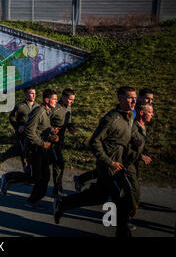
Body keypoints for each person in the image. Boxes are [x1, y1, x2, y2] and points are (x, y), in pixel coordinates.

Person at [54, 86, 137, 238]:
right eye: (129, 97)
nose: (133, 100)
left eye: (134, 97)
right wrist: (109, 162)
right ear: (120, 98)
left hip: (120, 165)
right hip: (109, 167)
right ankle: (123, 232)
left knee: (98, 197)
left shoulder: (130, 116)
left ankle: (63, 203)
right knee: (123, 198)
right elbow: (94, 141)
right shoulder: (111, 119)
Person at [74, 88, 155, 192]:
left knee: (112, 175)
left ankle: (91, 186)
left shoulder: (140, 109)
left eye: (151, 100)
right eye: (147, 99)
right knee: (111, 172)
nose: (150, 101)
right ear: (141, 97)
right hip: (118, 147)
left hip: (127, 147)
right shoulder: (131, 111)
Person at [0, 89, 59, 209]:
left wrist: (51, 132)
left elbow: (40, 128)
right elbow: (29, 132)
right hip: (34, 150)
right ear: (47, 100)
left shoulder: (47, 111)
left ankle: (33, 200)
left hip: (41, 150)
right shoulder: (39, 111)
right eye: (54, 99)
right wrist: (42, 143)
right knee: (34, 177)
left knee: (44, 177)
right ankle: (8, 177)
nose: (56, 101)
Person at [126, 101, 154, 229]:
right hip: (127, 164)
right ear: (142, 113)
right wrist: (140, 156)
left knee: (132, 193)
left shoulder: (143, 127)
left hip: (134, 163)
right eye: (150, 112)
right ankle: (124, 221)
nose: (152, 115)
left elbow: (140, 145)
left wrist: (145, 152)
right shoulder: (132, 128)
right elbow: (124, 148)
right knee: (134, 192)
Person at [0, 87, 38, 167]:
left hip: (33, 133)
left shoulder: (37, 107)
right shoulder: (20, 106)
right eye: (31, 93)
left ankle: (3, 156)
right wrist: (18, 126)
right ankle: (27, 171)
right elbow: (12, 117)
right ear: (26, 94)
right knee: (23, 151)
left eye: (34, 93)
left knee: (20, 150)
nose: (33, 95)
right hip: (22, 134)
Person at [50, 88, 77, 196]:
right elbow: (44, 121)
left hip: (60, 141)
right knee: (59, 164)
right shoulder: (55, 108)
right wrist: (52, 130)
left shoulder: (69, 107)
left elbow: (68, 121)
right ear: (64, 97)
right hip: (51, 142)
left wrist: (71, 127)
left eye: (73, 100)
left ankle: (56, 189)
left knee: (56, 165)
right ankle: (57, 190)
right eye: (70, 99)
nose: (72, 102)